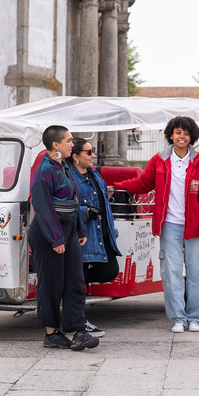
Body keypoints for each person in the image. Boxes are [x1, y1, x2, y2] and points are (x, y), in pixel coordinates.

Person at [113, 116, 199, 333]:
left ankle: (195, 317)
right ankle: (178, 318)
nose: (182, 136)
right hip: (169, 225)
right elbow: (143, 183)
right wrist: (115, 186)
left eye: (186, 133)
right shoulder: (159, 160)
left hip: (196, 226)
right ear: (171, 134)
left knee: (197, 271)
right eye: (178, 132)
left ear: (192, 137)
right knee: (171, 272)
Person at [28, 125, 99, 351]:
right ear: (55, 145)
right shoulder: (44, 170)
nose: (72, 144)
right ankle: (51, 334)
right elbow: (43, 206)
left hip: (67, 230)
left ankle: (78, 330)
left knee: (75, 281)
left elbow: (75, 201)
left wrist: (79, 230)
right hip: (48, 232)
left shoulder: (63, 167)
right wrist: (56, 239)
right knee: (51, 283)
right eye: (68, 140)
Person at [67, 137, 122, 338]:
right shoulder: (70, 177)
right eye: (88, 152)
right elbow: (66, 206)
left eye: (93, 152)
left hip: (102, 235)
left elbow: (104, 204)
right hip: (83, 236)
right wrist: (85, 212)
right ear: (75, 157)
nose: (93, 156)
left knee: (110, 271)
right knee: (78, 279)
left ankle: (70, 292)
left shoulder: (94, 175)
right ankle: (79, 322)